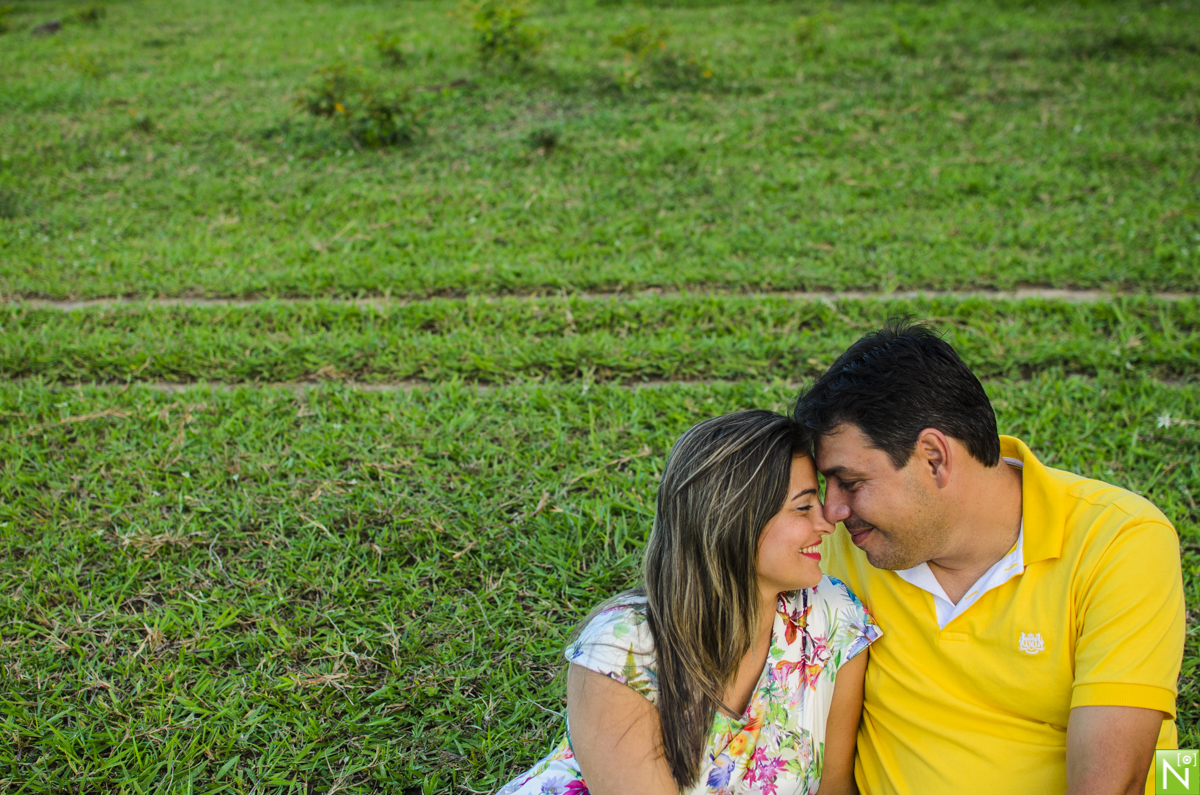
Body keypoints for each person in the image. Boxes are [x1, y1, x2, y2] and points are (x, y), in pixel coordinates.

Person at [793, 320, 1185, 795]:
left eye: (851, 483)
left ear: (934, 457)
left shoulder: (1121, 538)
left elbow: (1113, 784)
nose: (831, 510)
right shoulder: (836, 546)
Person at [498, 410, 883, 795]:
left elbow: (834, 785)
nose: (827, 524)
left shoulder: (834, 619)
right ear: (735, 519)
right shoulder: (624, 651)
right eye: (803, 507)